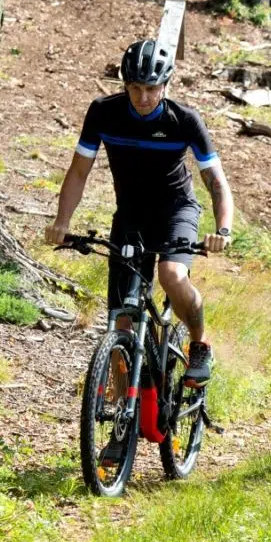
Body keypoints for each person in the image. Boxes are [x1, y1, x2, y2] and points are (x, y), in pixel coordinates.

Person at [45, 39, 233, 398]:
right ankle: (120, 417)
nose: (143, 97)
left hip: (176, 209)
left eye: (151, 88)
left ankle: (199, 344)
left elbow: (216, 182)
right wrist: (62, 222)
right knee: (121, 320)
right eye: (135, 88)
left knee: (172, 275)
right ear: (124, 85)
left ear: (165, 86)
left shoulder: (184, 120)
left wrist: (222, 229)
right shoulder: (103, 112)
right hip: (130, 214)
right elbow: (79, 171)